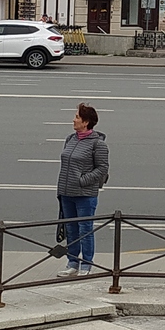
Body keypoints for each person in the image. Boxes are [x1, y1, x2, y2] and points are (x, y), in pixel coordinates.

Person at [57, 102, 110, 275]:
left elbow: (102, 169)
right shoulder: (70, 139)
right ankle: (73, 262)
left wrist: (81, 180)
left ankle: (86, 264)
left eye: (77, 117)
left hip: (85, 194)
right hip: (66, 192)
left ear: (86, 122)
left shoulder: (97, 144)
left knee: (85, 229)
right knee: (71, 229)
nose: (73, 120)